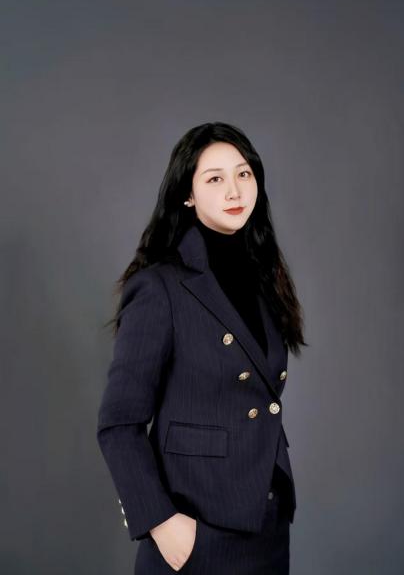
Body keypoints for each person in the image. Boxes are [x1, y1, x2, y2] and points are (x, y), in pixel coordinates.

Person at [96, 121, 307, 574]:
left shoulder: (264, 277)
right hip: (196, 531)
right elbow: (118, 422)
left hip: (266, 525)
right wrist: (161, 522)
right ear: (187, 195)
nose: (234, 190)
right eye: (214, 179)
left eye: (243, 174)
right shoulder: (160, 287)